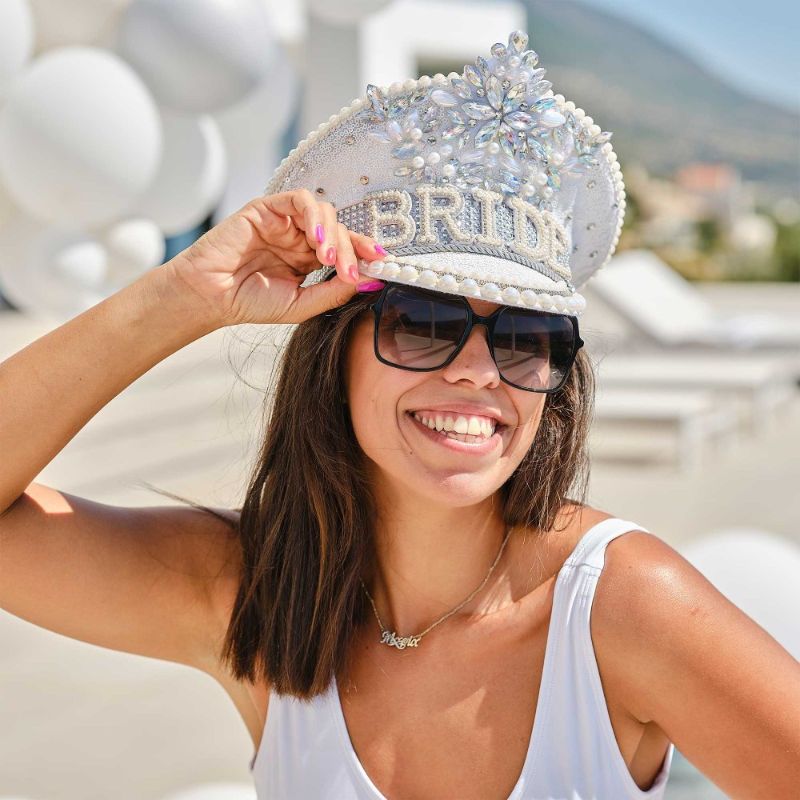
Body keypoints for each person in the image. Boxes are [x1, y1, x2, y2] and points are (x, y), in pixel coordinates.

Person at [1, 30, 799, 800]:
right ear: (334, 351)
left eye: (526, 337)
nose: (479, 370)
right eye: (422, 322)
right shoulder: (253, 593)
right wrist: (182, 296)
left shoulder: (622, 606)